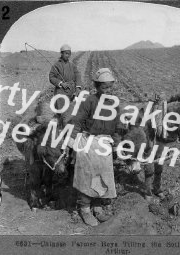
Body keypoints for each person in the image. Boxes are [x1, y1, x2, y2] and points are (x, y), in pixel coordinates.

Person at [68, 68, 123, 226]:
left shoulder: (113, 103)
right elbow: (77, 121)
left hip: (105, 144)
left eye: (110, 87)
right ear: (97, 87)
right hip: (89, 142)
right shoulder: (89, 101)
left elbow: (118, 125)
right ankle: (85, 209)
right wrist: (72, 141)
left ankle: (98, 207)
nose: (107, 91)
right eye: (104, 88)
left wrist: (117, 143)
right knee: (87, 176)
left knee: (103, 176)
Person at [49, 44, 82, 109]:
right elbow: (51, 77)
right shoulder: (56, 65)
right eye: (66, 53)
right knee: (62, 110)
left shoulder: (72, 65)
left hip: (71, 90)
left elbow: (77, 75)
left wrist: (78, 87)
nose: (68, 56)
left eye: (69, 54)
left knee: (72, 109)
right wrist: (61, 83)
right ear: (61, 53)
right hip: (61, 90)